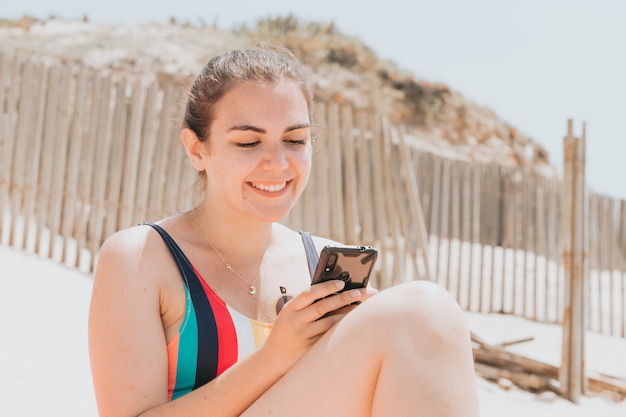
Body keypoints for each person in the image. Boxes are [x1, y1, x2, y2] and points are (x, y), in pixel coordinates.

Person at [88, 44, 479, 417]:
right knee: (422, 310)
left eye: (295, 140)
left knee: (424, 316)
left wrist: (355, 341)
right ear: (196, 150)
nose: (277, 163)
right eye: (248, 142)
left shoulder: (323, 263)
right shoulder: (141, 258)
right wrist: (276, 355)